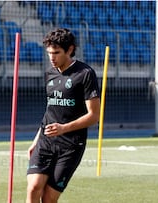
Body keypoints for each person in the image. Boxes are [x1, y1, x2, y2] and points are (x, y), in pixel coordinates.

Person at [26, 28, 101, 203]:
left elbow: (94, 116)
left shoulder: (85, 74)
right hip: (46, 141)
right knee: (33, 187)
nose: (52, 57)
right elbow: (50, 110)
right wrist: (36, 140)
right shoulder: (50, 74)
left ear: (70, 50)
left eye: (56, 53)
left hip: (71, 145)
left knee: (49, 199)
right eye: (49, 53)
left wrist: (63, 129)